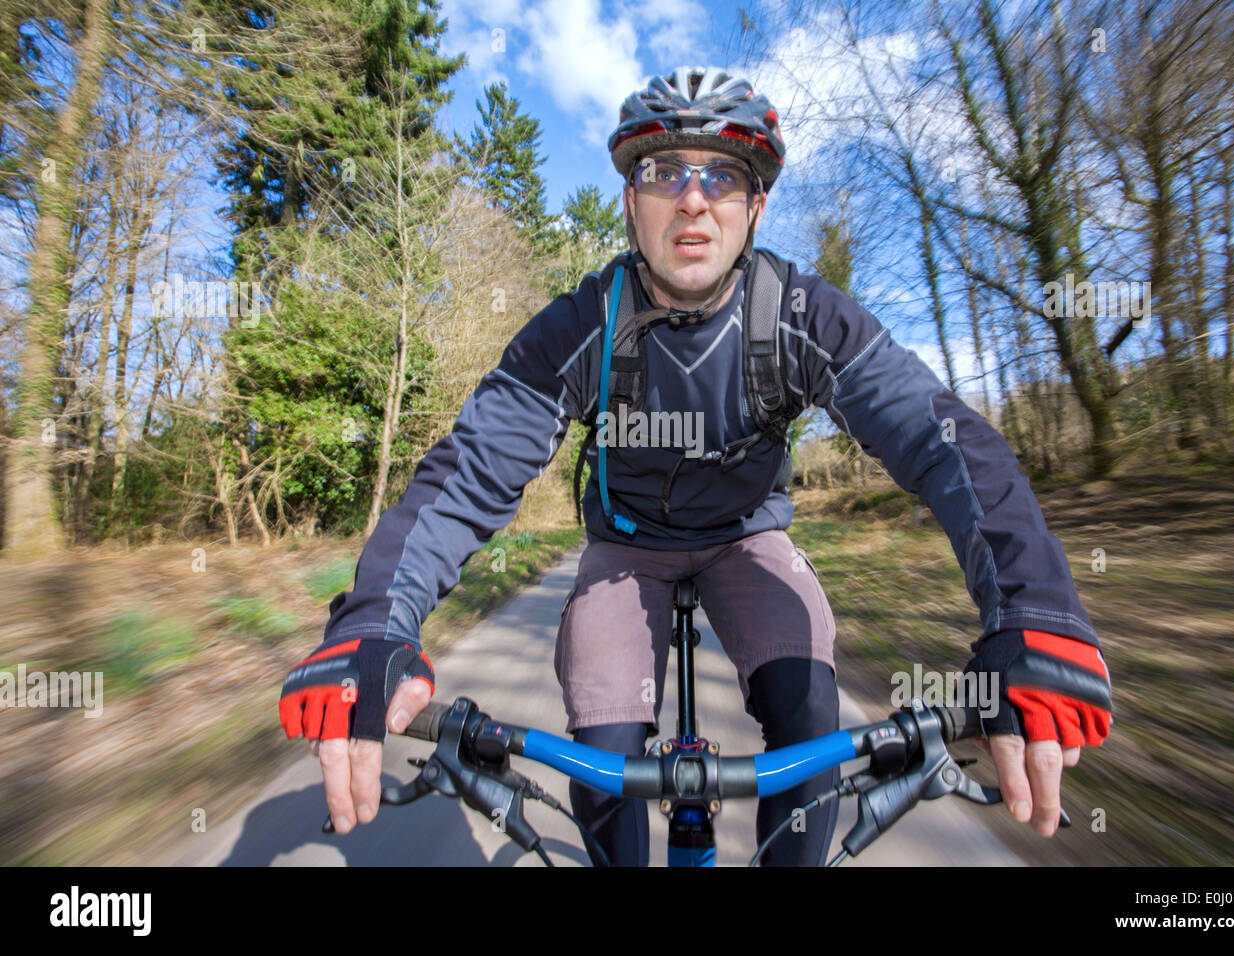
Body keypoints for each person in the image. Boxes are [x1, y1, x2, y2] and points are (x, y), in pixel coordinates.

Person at [279, 66, 1112, 866]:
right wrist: (374, 622)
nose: (692, 198)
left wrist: (1036, 612)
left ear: (755, 205)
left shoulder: (801, 315)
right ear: (631, 201)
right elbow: (467, 474)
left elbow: (944, 441)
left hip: (748, 539)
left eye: (723, 176)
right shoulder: (582, 325)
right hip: (625, 550)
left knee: (811, 717)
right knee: (603, 748)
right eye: (662, 170)